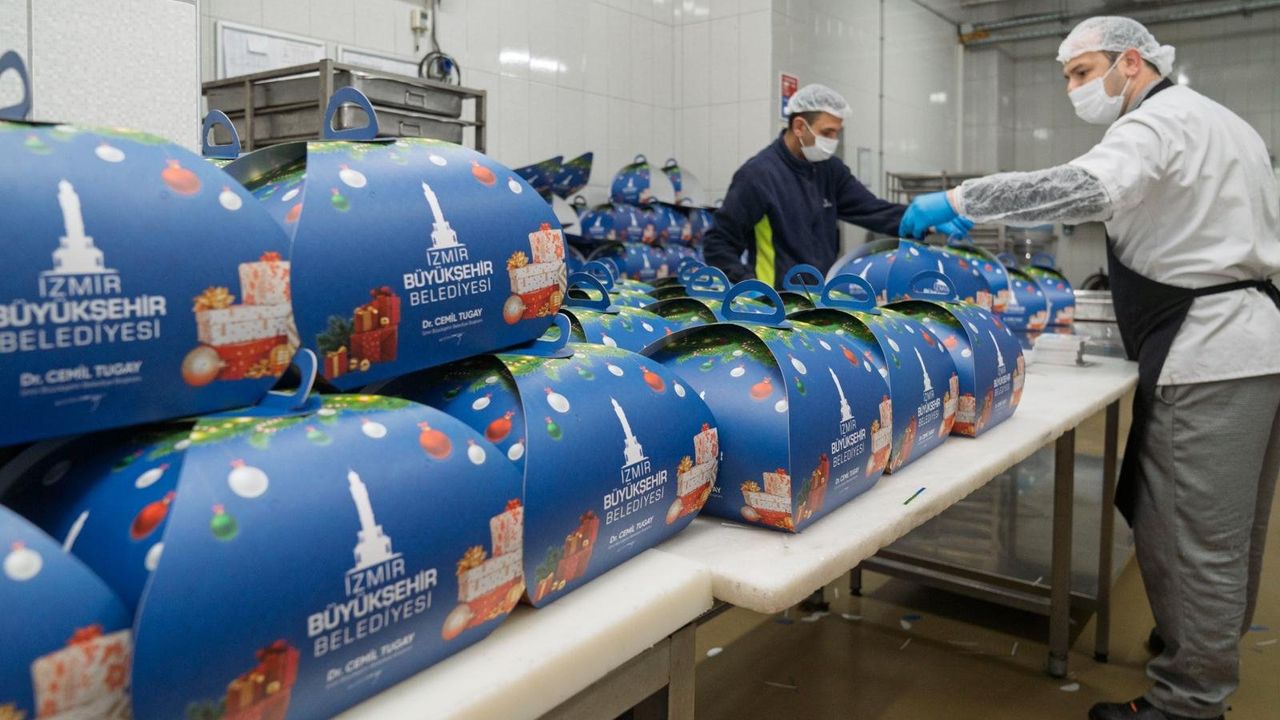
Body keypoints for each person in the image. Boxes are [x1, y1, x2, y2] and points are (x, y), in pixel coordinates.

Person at [906, 16, 1280, 720]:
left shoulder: (1155, 122)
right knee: (1231, 531)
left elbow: (1084, 188)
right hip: (1255, 345)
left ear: (1131, 62)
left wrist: (960, 200)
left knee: (1191, 534)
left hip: (1209, 351)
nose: (1075, 88)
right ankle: (1199, 642)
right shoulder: (1225, 123)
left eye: (1081, 72)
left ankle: (1190, 701)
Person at [702, 83, 970, 287]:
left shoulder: (830, 170)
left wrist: (926, 222)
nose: (833, 141)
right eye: (826, 132)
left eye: (836, 133)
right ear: (799, 126)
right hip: (777, 303)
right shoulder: (758, 175)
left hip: (821, 300)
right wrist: (750, 288)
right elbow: (719, 242)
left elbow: (873, 210)